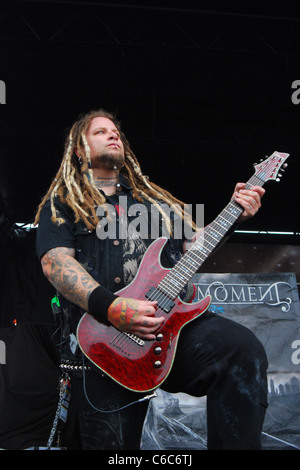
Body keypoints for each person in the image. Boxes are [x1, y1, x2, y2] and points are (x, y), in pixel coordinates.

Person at [34, 109, 268, 450]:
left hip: (170, 328)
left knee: (242, 351)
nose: (113, 135)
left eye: (116, 132)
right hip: (105, 345)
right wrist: (111, 307)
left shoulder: (155, 203)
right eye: (100, 132)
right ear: (80, 150)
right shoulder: (64, 203)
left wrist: (235, 212)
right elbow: (55, 263)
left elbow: (195, 244)